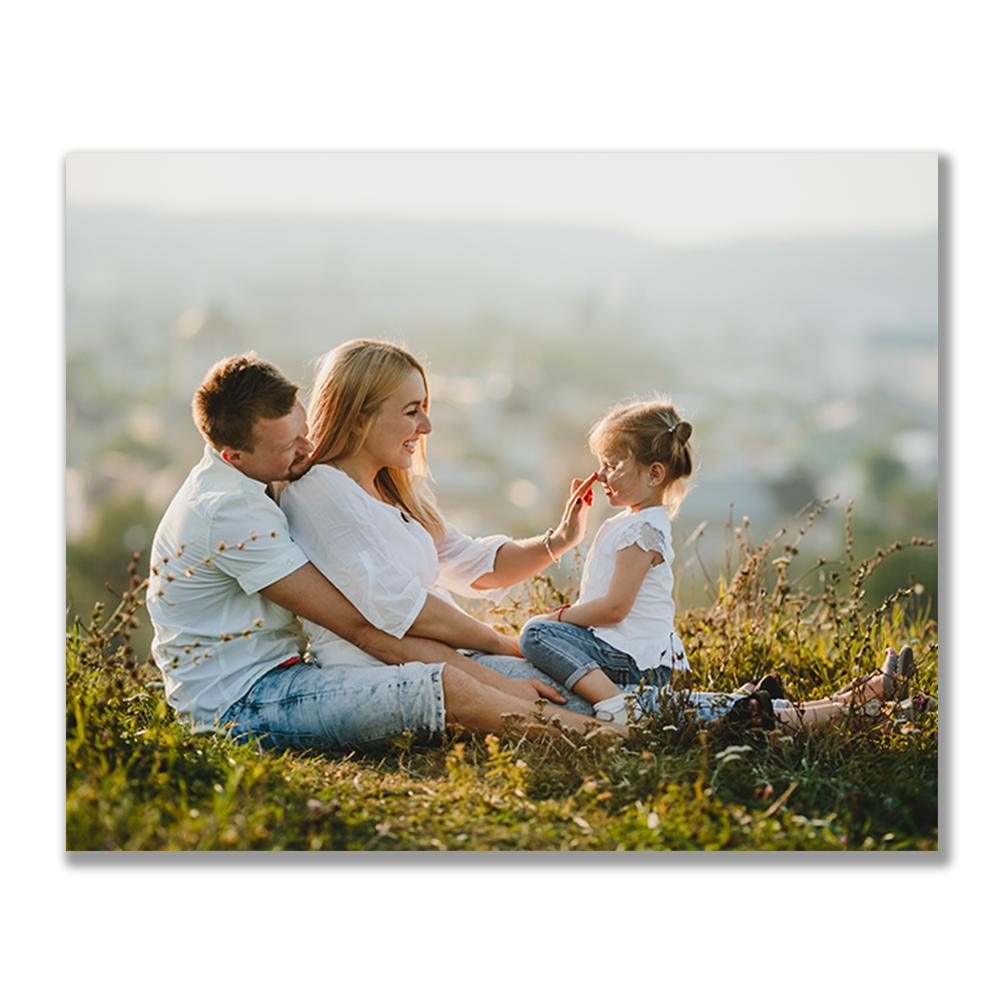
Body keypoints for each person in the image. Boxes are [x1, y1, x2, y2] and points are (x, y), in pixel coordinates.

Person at [146, 352, 626, 754]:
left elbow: (462, 561)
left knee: (551, 677)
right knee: (445, 686)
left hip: (292, 674)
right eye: (288, 446)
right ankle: (612, 741)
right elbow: (360, 626)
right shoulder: (231, 511)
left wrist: (555, 543)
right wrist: (497, 661)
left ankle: (645, 719)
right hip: (242, 701)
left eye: (304, 429)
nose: (307, 448)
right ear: (235, 456)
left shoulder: (267, 479)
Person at [518, 397, 934, 735]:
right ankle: (866, 700)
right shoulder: (634, 523)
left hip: (630, 661)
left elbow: (613, 608)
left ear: (654, 474)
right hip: (629, 656)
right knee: (721, 707)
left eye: (612, 464)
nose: (600, 474)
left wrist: (555, 619)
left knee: (536, 632)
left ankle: (616, 704)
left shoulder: (640, 530)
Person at [279, 338, 605, 718]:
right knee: (589, 700)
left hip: (456, 660)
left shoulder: (395, 493)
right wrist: (503, 644)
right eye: (412, 411)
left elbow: (479, 564)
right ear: (357, 418)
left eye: (425, 409)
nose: (427, 426)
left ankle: (682, 713)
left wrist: (561, 540)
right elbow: (401, 608)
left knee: (604, 672)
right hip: (391, 674)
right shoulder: (321, 490)